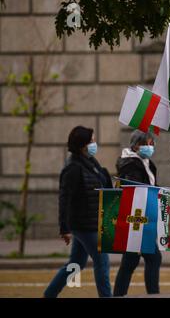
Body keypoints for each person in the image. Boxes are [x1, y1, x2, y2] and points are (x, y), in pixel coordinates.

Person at [44, 126, 112, 297]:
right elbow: (64, 198)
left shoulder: (91, 162)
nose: (94, 144)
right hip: (82, 224)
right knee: (101, 260)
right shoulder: (73, 168)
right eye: (91, 141)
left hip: (91, 221)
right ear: (82, 145)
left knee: (76, 263)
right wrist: (64, 228)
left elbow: (101, 183)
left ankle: (50, 294)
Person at [113, 130, 162, 296]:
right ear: (135, 146)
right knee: (153, 258)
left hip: (143, 218)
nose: (150, 146)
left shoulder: (146, 163)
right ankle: (153, 294)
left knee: (130, 261)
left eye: (151, 143)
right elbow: (135, 192)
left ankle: (118, 295)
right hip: (137, 220)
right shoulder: (131, 165)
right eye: (146, 143)